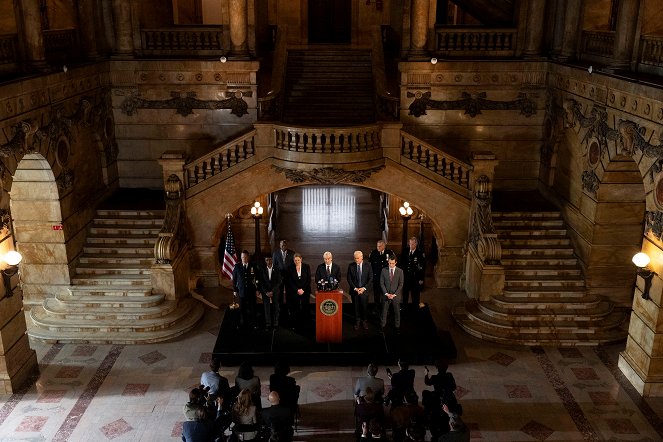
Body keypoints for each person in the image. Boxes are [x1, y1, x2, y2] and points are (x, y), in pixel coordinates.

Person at [232, 250, 260, 329]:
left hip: (251, 291)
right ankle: (243, 323)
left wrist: (257, 289)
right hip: (242, 291)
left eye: (245, 257)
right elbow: (234, 279)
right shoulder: (237, 266)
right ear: (241, 257)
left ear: (248, 257)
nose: (244, 258)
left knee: (253, 308)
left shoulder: (253, 266)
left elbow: (257, 278)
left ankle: (255, 323)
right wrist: (234, 290)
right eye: (242, 257)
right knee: (242, 309)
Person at [347, 250, 373, 330]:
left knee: (364, 307)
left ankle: (364, 321)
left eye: (358, 258)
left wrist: (363, 288)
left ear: (362, 257)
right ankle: (357, 321)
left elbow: (371, 278)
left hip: (364, 291)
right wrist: (355, 288)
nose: (356, 260)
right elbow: (349, 279)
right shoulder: (351, 266)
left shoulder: (368, 265)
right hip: (355, 291)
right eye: (355, 258)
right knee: (356, 307)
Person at [286, 253, 312, 329]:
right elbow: (290, 281)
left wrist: (303, 289)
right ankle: (295, 324)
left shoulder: (306, 267)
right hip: (294, 291)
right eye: (295, 260)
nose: (297, 261)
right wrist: (297, 290)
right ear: (293, 260)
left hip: (305, 291)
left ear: (301, 259)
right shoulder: (290, 268)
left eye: (298, 260)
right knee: (295, 308)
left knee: (305, 308)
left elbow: (308, 280)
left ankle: (306, 324)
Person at [380, 255, 404, 334]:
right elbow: (381, 283)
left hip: (395, 296)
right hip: (386, 296)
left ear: (396, 263)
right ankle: (383, 326)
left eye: (392, 263)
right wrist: (386, 293)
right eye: (389, 263)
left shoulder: (400, 271)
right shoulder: (384, 270)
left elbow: (401, 284)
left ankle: (397, 327)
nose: (391, 265)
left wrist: (394, 294)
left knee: (397, 312)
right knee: (384, 311)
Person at [368, 240, 394, 311]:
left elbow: (393, 266)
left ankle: (386, 308)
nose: (378, 247)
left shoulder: (389, 253)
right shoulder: (373, 253)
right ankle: (376, 307)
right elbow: (370, 266)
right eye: (377, 246)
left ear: (384, 246)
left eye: (380, 246)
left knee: (385, 294)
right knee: (376, 294)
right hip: (376, 278)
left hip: (386, 279)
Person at [260, 254, 282, 329]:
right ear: (265, 261)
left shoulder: (277, 268)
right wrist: (266, 292)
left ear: (272, 260)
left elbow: (279, 281)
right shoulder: (262, 269)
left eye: (270, 260)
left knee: (276, 307)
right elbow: (261, 282)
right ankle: (268, 323)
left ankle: (276, 323)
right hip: (265, 292)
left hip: (275, 291)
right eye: (267, 260)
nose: (269, 261)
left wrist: (272, 291)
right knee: (266, 308)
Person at [403, 237, 425, 311]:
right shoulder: (405, 251)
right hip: (406, 277)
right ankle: (404, 307)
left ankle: (415, 308)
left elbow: (422, 267)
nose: (411, 245)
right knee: (405, 293)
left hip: (415, 278)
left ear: (416, 244)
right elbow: (403, 264)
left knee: (415, 294)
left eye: (412, 244)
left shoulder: (420, 253)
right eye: (410, 244)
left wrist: (421, 279)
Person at [272, 239, 295, 306]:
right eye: (282, 245)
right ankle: (280, 308)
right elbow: (274, 265)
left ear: (287, 245)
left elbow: (294, 266)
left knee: (289, 293)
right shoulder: (275, 253)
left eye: (284, 245)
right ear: (280, 245)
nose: (283, 246)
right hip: (280, 276)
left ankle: (289, 308)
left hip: (289, 276)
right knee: (280, 293)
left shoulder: (292, 253)